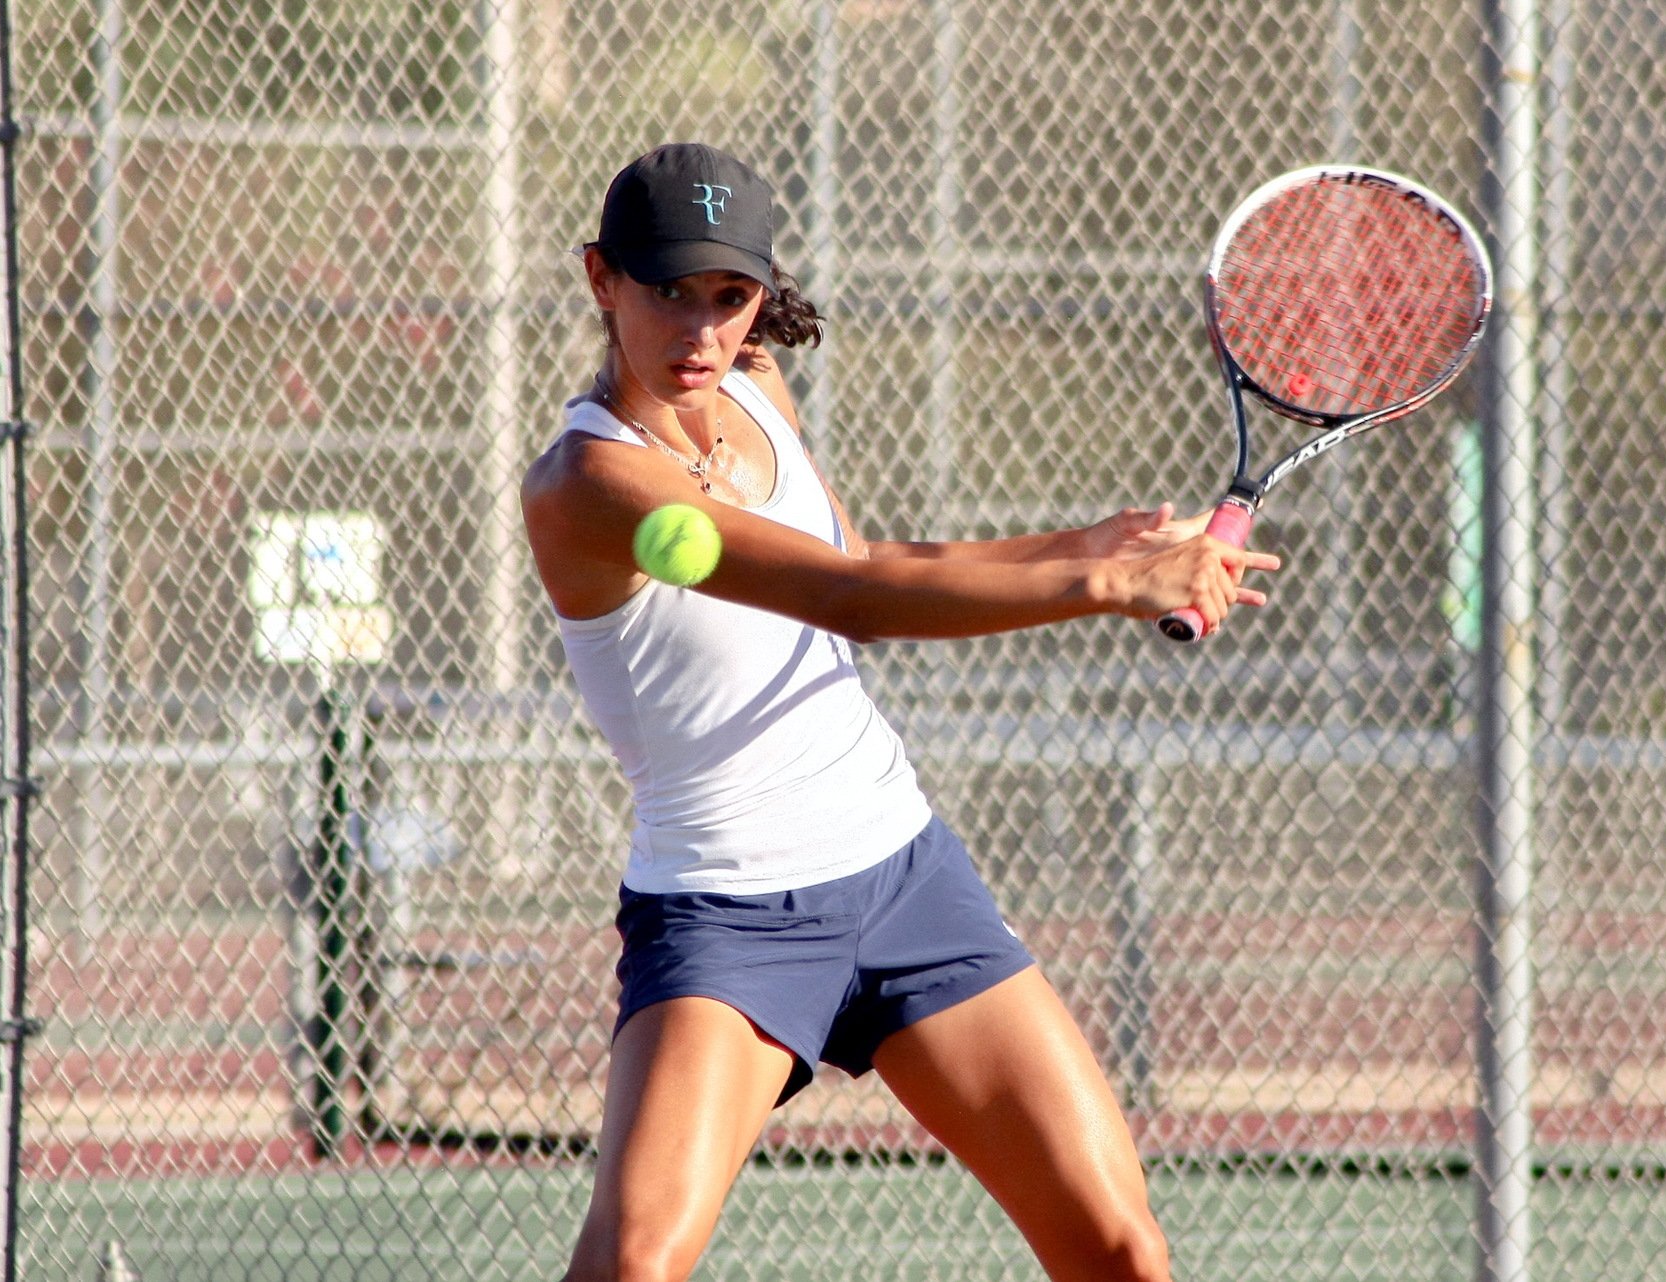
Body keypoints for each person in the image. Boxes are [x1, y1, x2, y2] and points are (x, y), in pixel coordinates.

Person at [521, 141, 1279, 1282]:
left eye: (730, 297)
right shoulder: (586, 484)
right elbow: (851, 600)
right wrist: (1101, 587)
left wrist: (1088, 544)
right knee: (632, 1262)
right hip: (727, 916)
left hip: (903, 874)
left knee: (1122, 1250)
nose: (701, 330)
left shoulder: (756, 391)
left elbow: (861, 554)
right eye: (667, 290)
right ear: (600, 279)